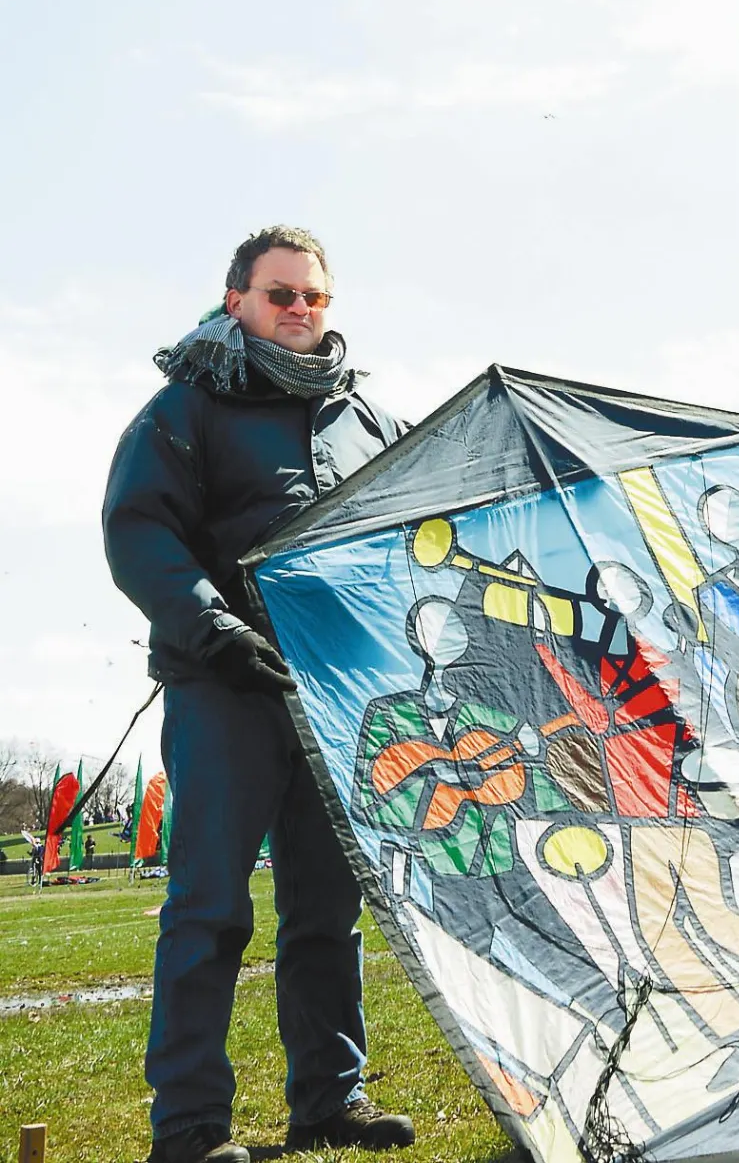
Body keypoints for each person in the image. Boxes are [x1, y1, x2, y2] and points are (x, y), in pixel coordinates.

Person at [105, 227, 413, 1163]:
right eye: (281, 294)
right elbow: (138, 531)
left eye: (314, 296)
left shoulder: (372, 419)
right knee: (209, 907)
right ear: (236, 299)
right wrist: (215, 629)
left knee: (326, 911)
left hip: (340, 695)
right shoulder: (183, 406)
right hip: (222, 686)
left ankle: (330, 1102)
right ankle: (190, 1129)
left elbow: (410, 538)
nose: (299, 309)